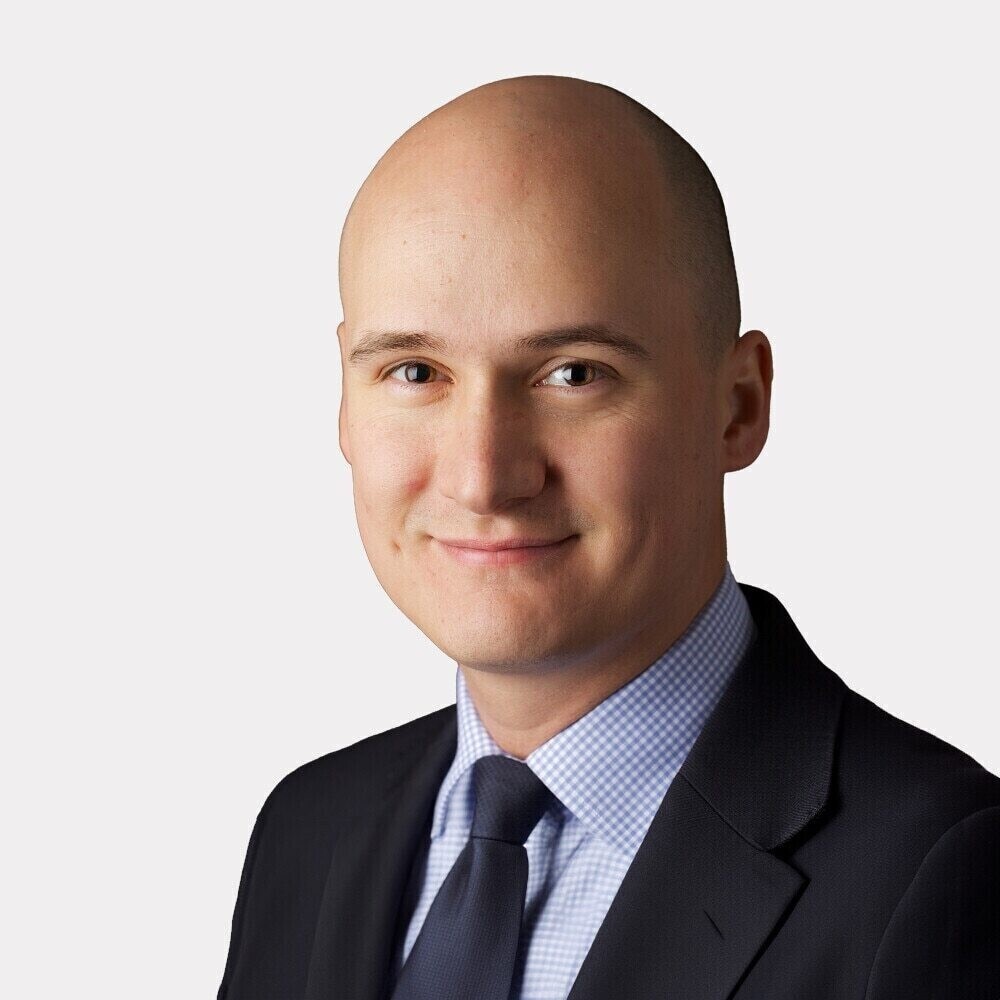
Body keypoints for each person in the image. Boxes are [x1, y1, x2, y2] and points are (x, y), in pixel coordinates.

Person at [216, 75, 1000, 1000]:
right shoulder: (306, 833)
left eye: (573, 374)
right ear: (345, 405)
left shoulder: (944, 874)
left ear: (738, 405)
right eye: (415, 372)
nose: (482, 477)